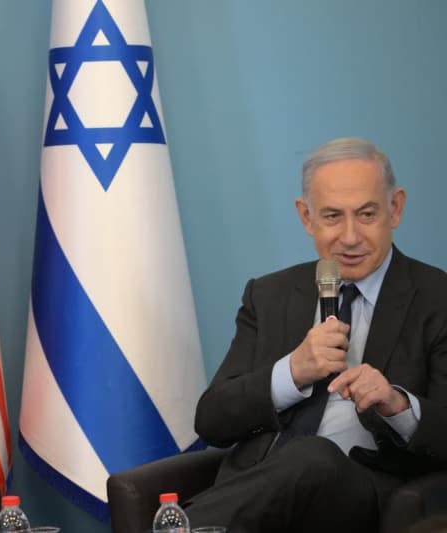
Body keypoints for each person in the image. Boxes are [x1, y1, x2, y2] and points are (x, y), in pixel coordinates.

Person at [185, 138, 447, 533]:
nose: (350, 236)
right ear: (306, 217)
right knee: (300, 460)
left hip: (364, 493)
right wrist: (290, 372)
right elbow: (212, 420)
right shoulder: (268, 294)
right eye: (331, 217)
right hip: (260, 495)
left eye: (366, 214)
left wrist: (398, 405)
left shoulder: (437, 298)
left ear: (395, 209)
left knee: (313, 457)